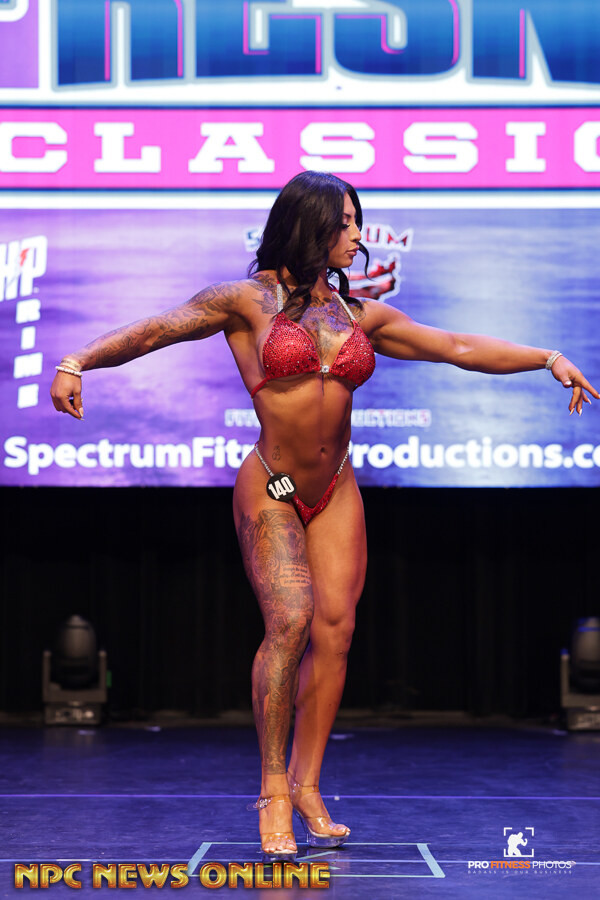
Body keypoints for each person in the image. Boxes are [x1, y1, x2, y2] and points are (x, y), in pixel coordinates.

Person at [50, 171, 598, 861]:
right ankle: (273, 791)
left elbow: (456, 347)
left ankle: (308, 785)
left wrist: (548, 359)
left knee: (335, 634)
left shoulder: (357, 314)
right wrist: (77, 360)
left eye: (356, 222)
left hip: (335, 489)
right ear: (308, 225)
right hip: (273, 486)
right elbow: (158, 329)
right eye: (345, 223)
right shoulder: (245, 302)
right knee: (290, 621)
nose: (357, 236)